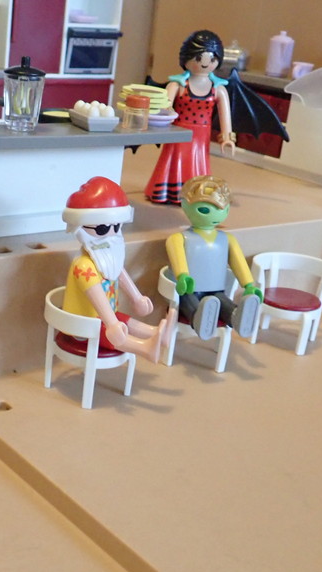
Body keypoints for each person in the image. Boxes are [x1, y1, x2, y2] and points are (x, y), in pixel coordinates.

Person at [62, 176, 175, 362]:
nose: (110, 234)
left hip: (103, 317)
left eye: (116, 227)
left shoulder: (108, 259)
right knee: (112, 328)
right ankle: (144, 347)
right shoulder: (83, 266)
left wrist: (136, 298)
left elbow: (119, 273)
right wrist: (112, 323)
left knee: (122, 320)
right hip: (82, 324)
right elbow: (97, 296)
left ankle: (155, 333)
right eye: (102, 229)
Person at [165, 176, 262, 340]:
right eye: (205, 209)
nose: (215, 214)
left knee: (222, 302)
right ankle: (199, 319)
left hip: (216, 291)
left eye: (222, 209)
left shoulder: (227, 239)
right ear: (185, 205)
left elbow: (238, 262)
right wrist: (182, 276)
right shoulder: (178, 239)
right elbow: (177, 259)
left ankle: (236, 317)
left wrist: (249, 285)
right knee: (192, 303)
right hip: (187, 291)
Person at [145, 30, 234, 205]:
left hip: (202, 134)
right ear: (186, 58)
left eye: (212, 59)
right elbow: (164, 106)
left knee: (198, 161)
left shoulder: (218, 89)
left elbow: (226, 115)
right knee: (174, 160)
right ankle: (167, 192)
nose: (204, 63)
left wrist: (227, 137)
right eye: (198, 58)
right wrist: (161, 119)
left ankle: (195, 193)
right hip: (179, 131)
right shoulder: (177, 85)